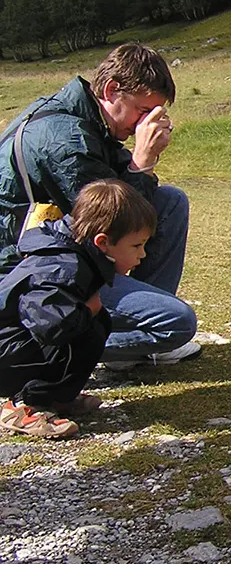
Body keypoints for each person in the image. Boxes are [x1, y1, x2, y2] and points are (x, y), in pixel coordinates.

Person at [0, 43, 199, 367]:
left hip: (58, 255)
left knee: (171, 202)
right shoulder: (63, 139)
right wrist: (142, 162)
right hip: (25, 275)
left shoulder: (88, 120)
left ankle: (134, 332)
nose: (142, 124)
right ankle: (50, 346)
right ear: (110, 90)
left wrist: (137, 167)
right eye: (142, 111)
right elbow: (116, 222)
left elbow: (132, 199)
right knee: (178, 323)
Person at [0, 179, 156, 437]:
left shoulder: (78, 253)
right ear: (102, 242)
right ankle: (24, 405)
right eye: (136, 246)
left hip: (12, 345)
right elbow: (49, 326)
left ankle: (57, 396)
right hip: (6, 351)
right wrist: (86, 310)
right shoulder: (63, 269)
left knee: (95, 324)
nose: (142, 255)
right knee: (81, 331)